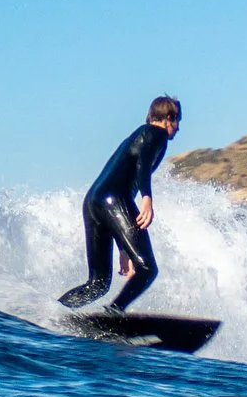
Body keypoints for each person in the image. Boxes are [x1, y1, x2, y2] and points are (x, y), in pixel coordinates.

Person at [59, 96, 181, 312]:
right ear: (169, 118)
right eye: (178, 121)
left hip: (94, 202)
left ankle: (54, 312)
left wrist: (124, 249)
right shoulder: (156, 133)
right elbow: (143, 164)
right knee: (147, 269)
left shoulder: (137, 136)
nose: (178, 128)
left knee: (98, 284)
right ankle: (115, 311)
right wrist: (147, 198)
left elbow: (120, 203)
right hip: (114, 199)